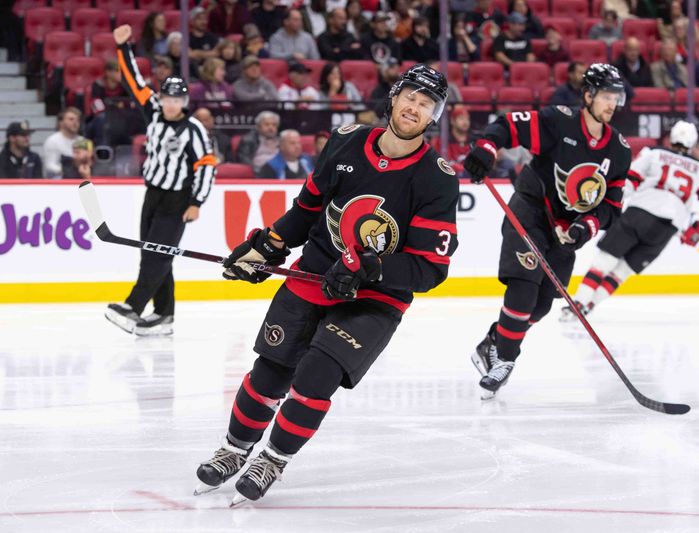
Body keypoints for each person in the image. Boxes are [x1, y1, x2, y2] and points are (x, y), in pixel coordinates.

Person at [194, 64, 458, 506]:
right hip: (313, 275)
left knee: (317, 374)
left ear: (434, 116)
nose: (415, 107)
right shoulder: (346, 141)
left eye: (427, 103)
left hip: (375, 298)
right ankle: (234, 450)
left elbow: (430, 268)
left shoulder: (437, 178)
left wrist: (369, 266)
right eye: (410, 96)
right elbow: (307, 209)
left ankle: (273, 458)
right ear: (393, 98)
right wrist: (268, 245)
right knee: (269, 373)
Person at [462, 63, 631, 399]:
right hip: (531, 210)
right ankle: (504, 361)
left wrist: (587, 227)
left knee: (540, 305)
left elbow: (610, 207)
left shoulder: (619, 150)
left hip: (565, 231)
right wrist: (487, 148)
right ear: (588, 95)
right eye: (606, 96)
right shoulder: (559, 121)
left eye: (617, 97)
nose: (612, 104)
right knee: (524, 285)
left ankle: (495, 341)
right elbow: (508, 126)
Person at [105, 24, 216, 337]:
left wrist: (196, 202)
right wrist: (123, 47)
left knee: (156, 255)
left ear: (184, 102)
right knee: (154, 254)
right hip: (152, 195)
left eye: (176, 100)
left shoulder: (193, 129)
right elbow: (132, 80)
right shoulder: (152, 110)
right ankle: (165, 314)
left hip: (177, 200)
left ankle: (132, 307)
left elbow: (207, 165)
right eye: (167, 97)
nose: (170, 104)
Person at [566, 121, 699, 319]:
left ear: (671, 138)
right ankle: (589, 306)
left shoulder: (653, 153)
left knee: (604, 261)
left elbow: (630, 180)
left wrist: (614, 203)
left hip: (639, 213)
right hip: (668, 228)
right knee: (622, 272)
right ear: (692, 143)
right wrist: (698, 229)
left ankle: (577, 304)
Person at [430, 105, 473, 175]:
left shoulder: (474, 142)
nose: (465, 122)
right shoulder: (441, 142)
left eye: (467, 119)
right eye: (461, 118)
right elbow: (439, 165)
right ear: (452, 121)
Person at [319, 61, 364, 126]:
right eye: (332, 73)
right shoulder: (322, 91)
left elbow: (361, 106)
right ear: (326, 77)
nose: (336, 76)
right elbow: (321, 112)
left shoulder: (349, 87)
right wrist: (332, 92)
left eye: (338, 73)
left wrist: (350, 106)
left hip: (351, 122)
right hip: (330, 124)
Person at [43, 107, 82, 178]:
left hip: (79, 178)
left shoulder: (82, 141)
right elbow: (49, 166)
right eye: (71, 119)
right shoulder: (53, 141)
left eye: (78, 120)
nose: (75, 123)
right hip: (59, 180)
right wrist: (68, 171)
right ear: (61, 122)